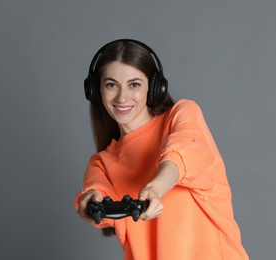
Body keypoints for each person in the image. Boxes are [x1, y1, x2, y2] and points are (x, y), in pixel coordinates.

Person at [75, 39, 249, 260]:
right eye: (111, 85)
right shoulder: (102, 163)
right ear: (95, 90)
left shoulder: (182, 114)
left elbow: (181, 152)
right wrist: (91, 202)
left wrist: (156, 188)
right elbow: (97, 191)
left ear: (154, 87)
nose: (122, 97)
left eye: (134, 84)